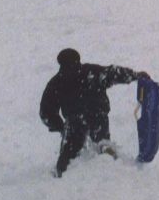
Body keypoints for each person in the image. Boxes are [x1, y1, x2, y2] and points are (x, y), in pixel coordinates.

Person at [39, 48, 147, 178]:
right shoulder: (90, 73)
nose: (72, 70)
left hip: (86, 122)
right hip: (87, 122)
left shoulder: (60, 82)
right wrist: (135, 75)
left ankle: (65, 175)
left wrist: (59, 127)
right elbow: (113, 73)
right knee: (98, 153)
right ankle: (112, 169)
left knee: (69, 164)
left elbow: (46, 113)